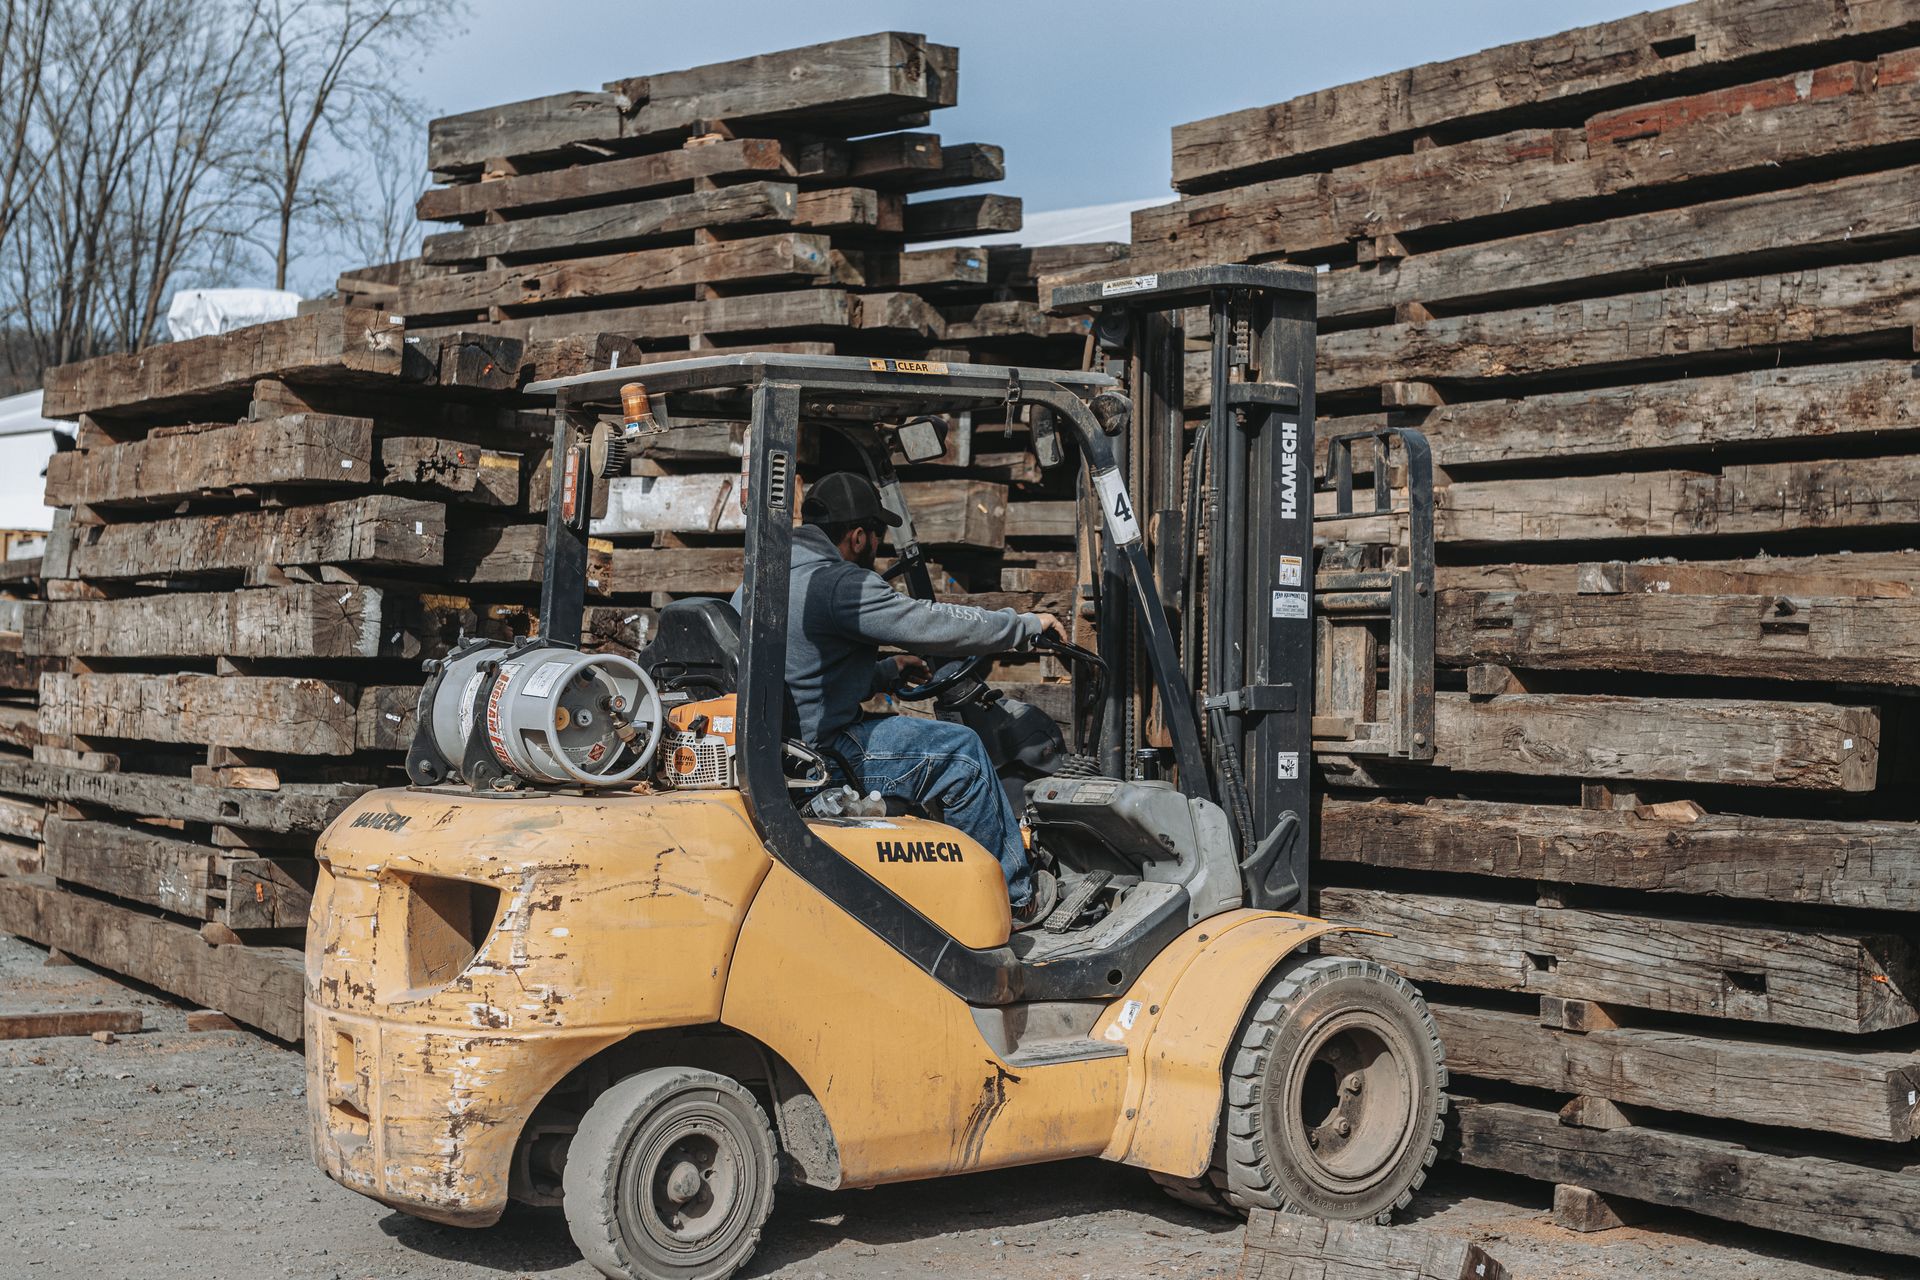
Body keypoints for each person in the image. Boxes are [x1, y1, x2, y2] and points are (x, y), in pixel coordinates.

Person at [733, 471, 1066, 928]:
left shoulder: (763, 576)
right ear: (857, 536)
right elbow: (933, 624)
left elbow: (798, 668)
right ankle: (1013, 899)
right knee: (964, 754)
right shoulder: (839, 584)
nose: (877, 551)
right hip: (824, 753)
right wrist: (1025, 627)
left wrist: (885, 673)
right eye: (877, 539)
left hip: (780, 748)